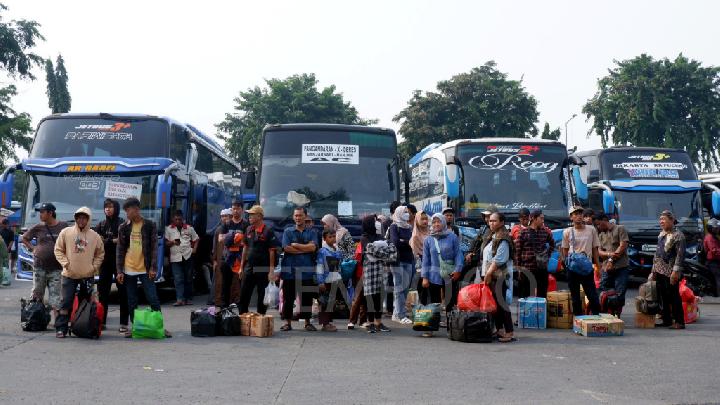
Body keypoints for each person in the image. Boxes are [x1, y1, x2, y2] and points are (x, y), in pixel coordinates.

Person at [116, 197, 170, 338]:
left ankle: (159, 327)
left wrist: (153, 268)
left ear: (136, 209)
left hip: (145, 269)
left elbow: (154, 249)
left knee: (152, 298)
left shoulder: (149, 225)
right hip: (128, 269)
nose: (127, 213)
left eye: (128, 210)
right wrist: (119, 271)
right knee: (132, 300)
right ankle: (136, 328)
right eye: (126, 211)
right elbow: (120, 250)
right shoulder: (123, 227)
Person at [53, 207, 104, 338]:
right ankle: (61, 329)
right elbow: (58, 250)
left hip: (87, 275)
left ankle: (82, 327)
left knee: (85, 304)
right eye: (79, 217)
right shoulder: (66, 232)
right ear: (75, 219)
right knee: (65, 302)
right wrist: (65, 263)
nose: (81, 220)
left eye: (84, 218)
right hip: (69, 274)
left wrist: (94, 267)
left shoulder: (95, 236)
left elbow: (100, 254)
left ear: (88, 219)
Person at [22, 202, 68, 323]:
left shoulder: (63, 226)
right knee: (37, 293)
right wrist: (33, 248)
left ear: (50, 213)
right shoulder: (38, 227)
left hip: (57, 268)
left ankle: (57, 321)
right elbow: (24, 238)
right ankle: (36, 319)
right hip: (40, 267)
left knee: (55, 296)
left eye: (42, 212)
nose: (40, 215)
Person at [421, 214, 462, 337]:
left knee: (450, 302)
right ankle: (431, 328)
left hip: (450, 274)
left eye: (439, 222)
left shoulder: (452, 237)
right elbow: (426, 260)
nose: (436, 225)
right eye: (434, 222)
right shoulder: (428, 240)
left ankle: (451, 328)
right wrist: (425, 276)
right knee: (434, 302)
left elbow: (458, 254)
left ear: (443, 223)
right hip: (433, 275)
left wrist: (458, 270)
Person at [279, 207, 319, 332]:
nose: (298, 218)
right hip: (290, 270)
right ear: (293, 217)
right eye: (296, 215)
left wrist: (296, 246)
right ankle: (287, 323)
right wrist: (305, 248)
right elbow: (286, 248)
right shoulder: (288, 231)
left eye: (300, 215)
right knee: (288, 298)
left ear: (305, 217)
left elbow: (313, 248)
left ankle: (307, 323)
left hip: (307, 270)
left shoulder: (312, 232)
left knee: (306, 297)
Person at [94, 199, 129, 332]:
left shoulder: (123, 223)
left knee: (122, 292)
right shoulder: (101, 224)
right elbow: (96, 240)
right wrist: (112, 240)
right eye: (106, 207)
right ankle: (101, 321)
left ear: (117, 208)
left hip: (120, 263)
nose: (108, 209)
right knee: (103, 293)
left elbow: (124, 240)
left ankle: (124, 323)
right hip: (105, 263)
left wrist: (109, 240)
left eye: (111, 207)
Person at [561, 206, 601, 316]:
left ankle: (596, 317)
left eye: (580, 213)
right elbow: (564, 251)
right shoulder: (567, 232)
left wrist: (598, 267)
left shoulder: (591, 230)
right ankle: (578, 320)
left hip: (587, 268)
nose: (578, 216)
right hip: (573, 269)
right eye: (575, 214)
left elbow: (595, 250)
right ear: (571, 217)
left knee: (592, 294)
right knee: (575, 297)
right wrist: (567, 266)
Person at [482, 212, 516, 343]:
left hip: (499, 276)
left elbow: (499, 259)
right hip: (491, 275)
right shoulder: (492, 236)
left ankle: (509, 332)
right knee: (494, 304)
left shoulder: (504, 238)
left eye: (494, 221)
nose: (491, 223)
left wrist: (489, 274)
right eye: (490, 221)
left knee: (502, 304)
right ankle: (499, 329)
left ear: (502, 222)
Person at [238, 205, 278, 315]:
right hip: (249, 266)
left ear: (259, 216)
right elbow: (245, 248)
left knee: (262, 294)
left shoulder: (268, 231)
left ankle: (261, 317)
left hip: (263, 267)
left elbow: (272, 251)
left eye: (252, 214)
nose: (249, 216)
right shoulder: (248, 229)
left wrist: (271, 270)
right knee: (244, 293)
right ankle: (243, 316)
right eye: (249, 214)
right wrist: (241, 267)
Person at [650, 210, 686, 329]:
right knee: (663, 296)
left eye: (664, 219)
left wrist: (675, 272)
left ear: (671, 220)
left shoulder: (678, 236)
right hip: (660, 270)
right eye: (660, 219)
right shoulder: (661, 234)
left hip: (671, 271)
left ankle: (679, 321)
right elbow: (657, 254)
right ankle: (667, 319)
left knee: (674, 295)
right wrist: (653, 271)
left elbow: (680, 256)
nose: (661, 222)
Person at [361, 214, 394, 334]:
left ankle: (378, 322)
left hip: (381, 269)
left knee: (379, 297)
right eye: (374, 221)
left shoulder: (380, 236)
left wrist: (381, 252)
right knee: (370, 297)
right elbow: (372, 249)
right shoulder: (364, 238)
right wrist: (384, 252)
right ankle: (370, 323)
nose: (377, 223)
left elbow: (392, 249)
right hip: (370, 270)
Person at [594, 213, 630, 314]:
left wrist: (610, 260)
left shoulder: (620, 229)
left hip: (621, 267)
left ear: (604, 221)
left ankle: (617, 315)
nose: (598, 227)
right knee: (603, 290)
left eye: (598, 224)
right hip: (606, 269)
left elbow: (623, 246)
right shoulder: (601, 235)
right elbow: (600, 252)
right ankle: (605, 313)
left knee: (620, 293)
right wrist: (610, 254)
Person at [515, 209, 555, 298]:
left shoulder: (545, 232)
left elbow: (552, 244)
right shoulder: (523, 233)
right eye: (541, 218)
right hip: (527, 268)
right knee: (525, 295)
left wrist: (546, 256)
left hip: (541, 268)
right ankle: (526, 312)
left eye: (543, 218)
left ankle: (540, 311)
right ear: (533, 218)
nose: (543, 221)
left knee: (542, 295)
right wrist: (519, 268)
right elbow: (518, 252)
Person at [165, 210, 200, 306]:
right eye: (175, 219)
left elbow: (196, 239)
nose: (177, 221)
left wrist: (194, 249)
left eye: (179, 219)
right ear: (173, 219)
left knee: (188, 278)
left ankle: (187, 299)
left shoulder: (189, 228)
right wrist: (172, 242)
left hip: (187, 255)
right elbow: (165, 243)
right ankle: (179, 299)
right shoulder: (168, 229)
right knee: (178, 278)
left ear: (182, 219)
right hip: (175, 257)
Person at [218, 200, 249, 307]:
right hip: (227, 257)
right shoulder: (227, 224)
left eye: (238, 208)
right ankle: (224, 307)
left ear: (242, 209)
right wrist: (232, 238)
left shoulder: (246, 224)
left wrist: (238, 240)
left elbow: (247, 241)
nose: (235, 211)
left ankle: (242, 307)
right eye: (233, 208)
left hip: (241, 258)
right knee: (226, 283)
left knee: (242, 283)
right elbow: (220, 238)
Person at [387, 206, 414, 324]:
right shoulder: (394, 226)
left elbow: (413, 242)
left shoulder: (409, 227)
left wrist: (405, 241)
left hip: (409, 260)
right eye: (405, 212)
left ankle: (396, 312)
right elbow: (395, 242)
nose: (407, 214)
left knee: (406, 288)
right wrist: (406, 242)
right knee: (399, 288)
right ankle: (400, 315)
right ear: (398, 214)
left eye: (408, 212)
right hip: (397, 261)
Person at [315, 229, 342, 332]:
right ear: (324, 238)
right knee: (324, 302)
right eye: (330, 237)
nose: (333, 239)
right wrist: (320, 281)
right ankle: (324, 324)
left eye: (334, 236)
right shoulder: (322, 251)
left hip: (335, 279)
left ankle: (329, 323)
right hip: (326, 280)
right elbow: (320, 266)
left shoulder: (336, 249)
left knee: (331, 303)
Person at [212, 209, 234, 306]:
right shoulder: (218, 230)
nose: (224, 218)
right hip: (221, 259)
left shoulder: (234, 228)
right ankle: (219, 301)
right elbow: (215, 246)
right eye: (222, 216)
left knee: (233, 282)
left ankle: (233, 301)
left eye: (226, 216)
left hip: (233, 259)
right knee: (219, 282)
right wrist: (215, 260)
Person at [703, 218, 720, 295]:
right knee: (718, 278)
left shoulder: (714, 236)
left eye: (717, 228)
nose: (717, 229)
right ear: (710, 228)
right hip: (713, 263)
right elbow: (714, 250)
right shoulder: (710, 237)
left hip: (716, 261)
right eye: (715, 228)